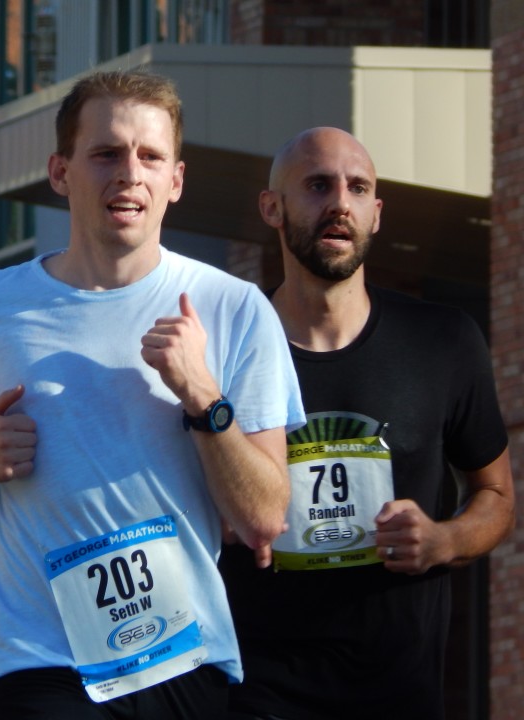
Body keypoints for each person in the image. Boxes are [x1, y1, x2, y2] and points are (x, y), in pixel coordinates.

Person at [0, 70, 305, 719]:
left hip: (182, 659)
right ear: (60, 171)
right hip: (34, 662)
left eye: (150, 156)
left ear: (176, 181)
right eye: (105, 154)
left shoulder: (233, 308)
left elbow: (264, 516)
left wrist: (203, 397)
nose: (129, 173)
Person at [219, 127, 515, 719]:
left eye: (358, 188)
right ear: (271, 207)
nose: (339, 204)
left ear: (376, 215)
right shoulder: (221, 350)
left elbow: (497, 494)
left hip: (398, 693)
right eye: (318, 185)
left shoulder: (443, 340)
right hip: (255, 693)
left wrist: (443, 540)